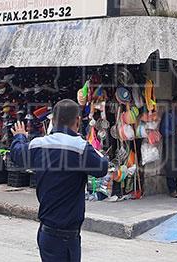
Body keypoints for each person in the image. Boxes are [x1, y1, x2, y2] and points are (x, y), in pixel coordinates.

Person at [11, 99, 108, 262]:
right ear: (77, 121)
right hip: (67, 237)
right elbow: (102, 168)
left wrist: (20, 136)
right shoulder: (81, 148)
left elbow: (17, 153)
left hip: (46, 234)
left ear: (53, 120)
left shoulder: (39, 144)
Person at [159, 95, 177, 198]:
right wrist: (173, 133)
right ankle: (172, 190)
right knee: (170, 167)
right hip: (170, 144)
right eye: (176, 103)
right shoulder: (167, 115)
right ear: (172, 104)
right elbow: (163, 130)